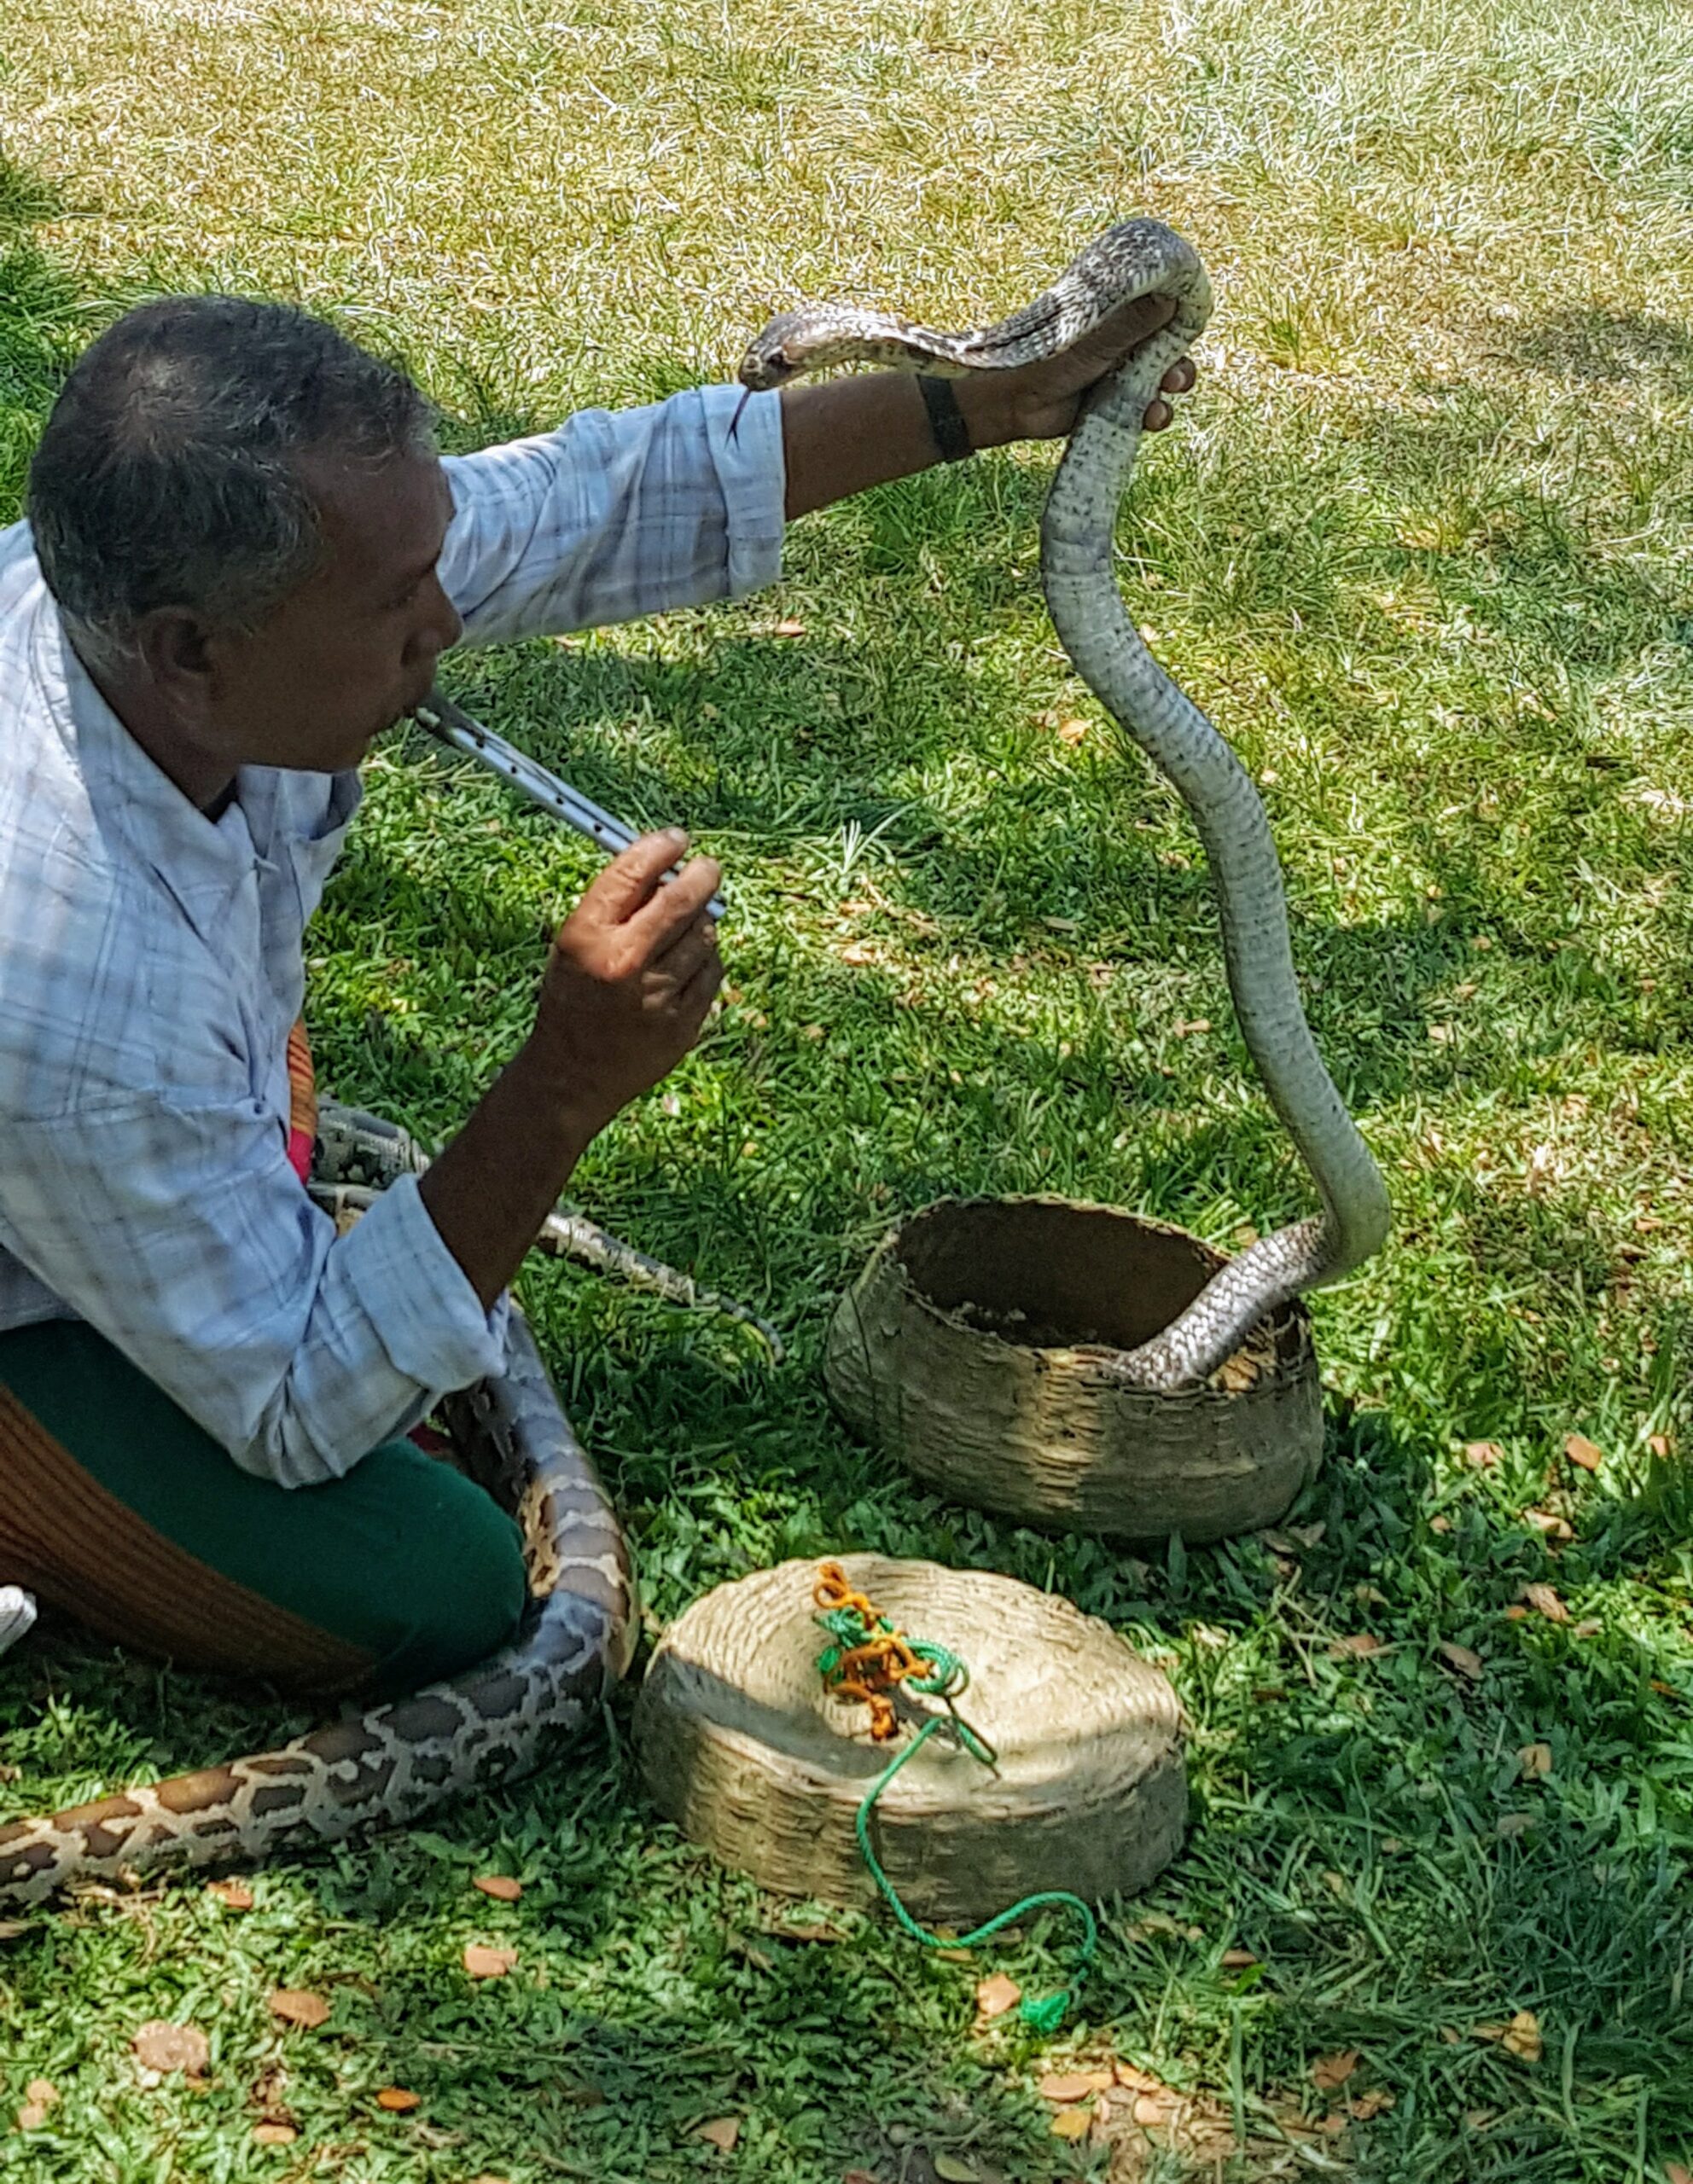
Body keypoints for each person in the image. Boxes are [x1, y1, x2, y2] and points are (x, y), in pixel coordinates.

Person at [0, 290, 1195, 1698]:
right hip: (61, 1117)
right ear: (190, 651)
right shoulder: (74, 976)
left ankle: (194, 1211)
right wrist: (560, 1085)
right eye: (399, 605)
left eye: (432, 566)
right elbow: (297, 1402)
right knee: (432, 1579)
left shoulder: (161, 614)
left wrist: (983, 402)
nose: (444, 619)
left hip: (103, 1092)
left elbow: (601, 499)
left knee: (251, 1130)